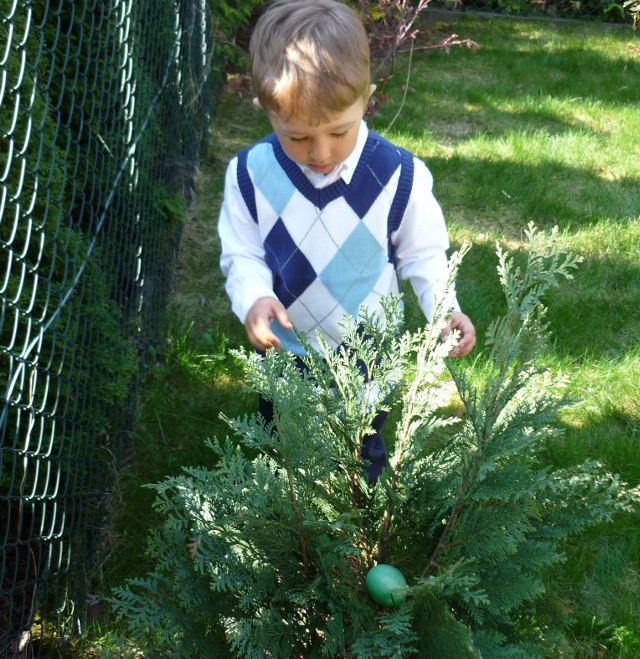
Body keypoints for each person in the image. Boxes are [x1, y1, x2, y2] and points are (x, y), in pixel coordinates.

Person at [218, 0, 476, 479]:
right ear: (265, 108)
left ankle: (360, 546)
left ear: (368, 98)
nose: (320, 153)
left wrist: (444, 308)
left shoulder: (399, 176)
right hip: (286, 351)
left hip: (366, 355)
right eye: (296, 138)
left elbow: (423, 254)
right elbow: (242, 252)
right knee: (284, 459)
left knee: (361, 458)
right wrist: (253, 298)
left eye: (339, 131)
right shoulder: (249, 176)